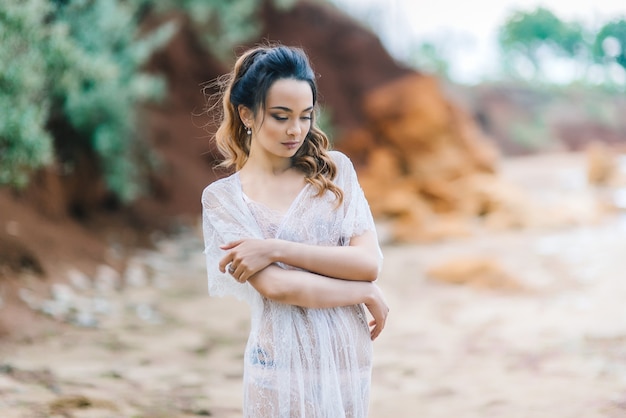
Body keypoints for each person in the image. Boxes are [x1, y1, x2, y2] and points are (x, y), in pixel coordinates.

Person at [201, 44, 389, 418]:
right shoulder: (223, 199)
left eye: (305, 116)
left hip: (345, 358)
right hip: (278, 365)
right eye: (281, 116)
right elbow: (279, 288)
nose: (296, 130)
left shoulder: (334, 172)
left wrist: (274, 249)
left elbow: (368, 263)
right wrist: (362, 292)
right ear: (247, 114)